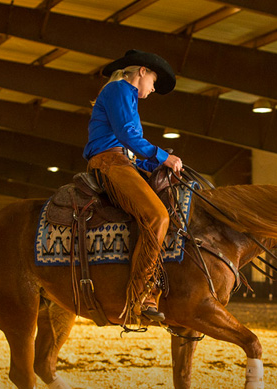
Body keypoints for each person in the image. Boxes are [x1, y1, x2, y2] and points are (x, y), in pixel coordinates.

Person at [83, 49, 183, 323]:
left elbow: (130, 145)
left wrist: (156, 164)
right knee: (157, 216)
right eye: (153, 80)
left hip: (120, 161)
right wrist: (164, 156)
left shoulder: (123, 95)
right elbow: (128, 135)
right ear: (141, 71)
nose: (153, 88)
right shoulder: (119, 89)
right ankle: (140, 295)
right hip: (109, 163)